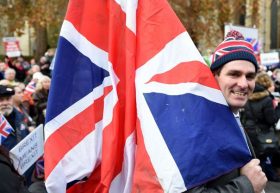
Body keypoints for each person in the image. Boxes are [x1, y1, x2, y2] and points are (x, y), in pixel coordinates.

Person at [186, 30, 267, 193]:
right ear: (214, 77)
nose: (244, 84)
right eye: (234, 74)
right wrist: (247, 185)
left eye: (250, 76)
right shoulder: (196, 129)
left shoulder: (233, 116)